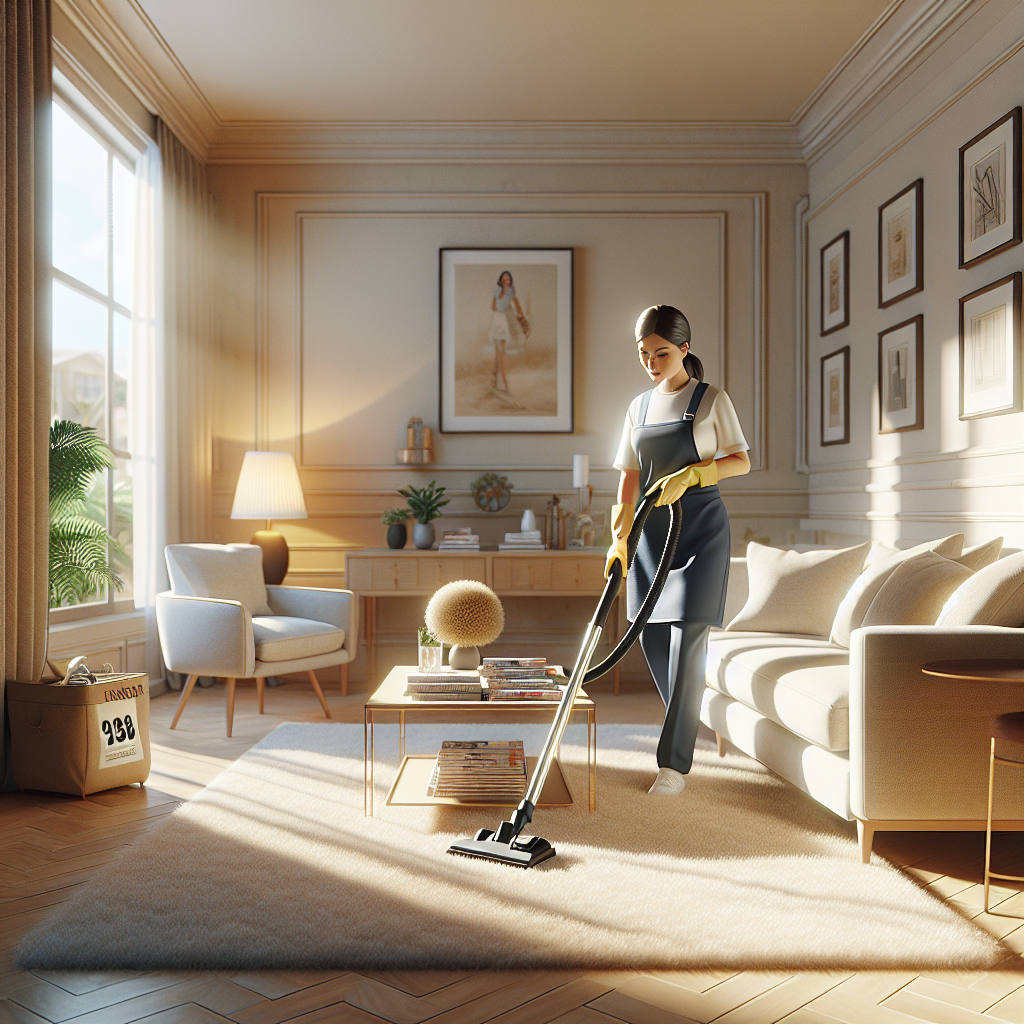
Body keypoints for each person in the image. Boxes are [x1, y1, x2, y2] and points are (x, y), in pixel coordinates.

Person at [608, 304, 750, 795]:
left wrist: (696, 473)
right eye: (643, 354)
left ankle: (673, 766)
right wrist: (618, 536)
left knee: (688, 642)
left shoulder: (710, 399)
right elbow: (628, 477)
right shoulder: (638, 407)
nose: (651, 362)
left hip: (700, 532)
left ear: (684, 349)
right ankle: (690, 717)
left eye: (660, 353)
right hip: (649, 533)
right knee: (647, 637)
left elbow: (742, 461)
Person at [490, 271, 528, 392]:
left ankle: (504, 386)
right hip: (498, 321)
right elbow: (493, 307)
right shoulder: (496, 291)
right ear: (501, 281)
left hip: (506, 322)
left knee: (501, 353)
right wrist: (503, 308)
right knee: (498, 352)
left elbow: (518, 306)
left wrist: (522, 318)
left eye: (509, 280)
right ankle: (496, 382)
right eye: (505, 279)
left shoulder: (511, 292)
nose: (507, 282)